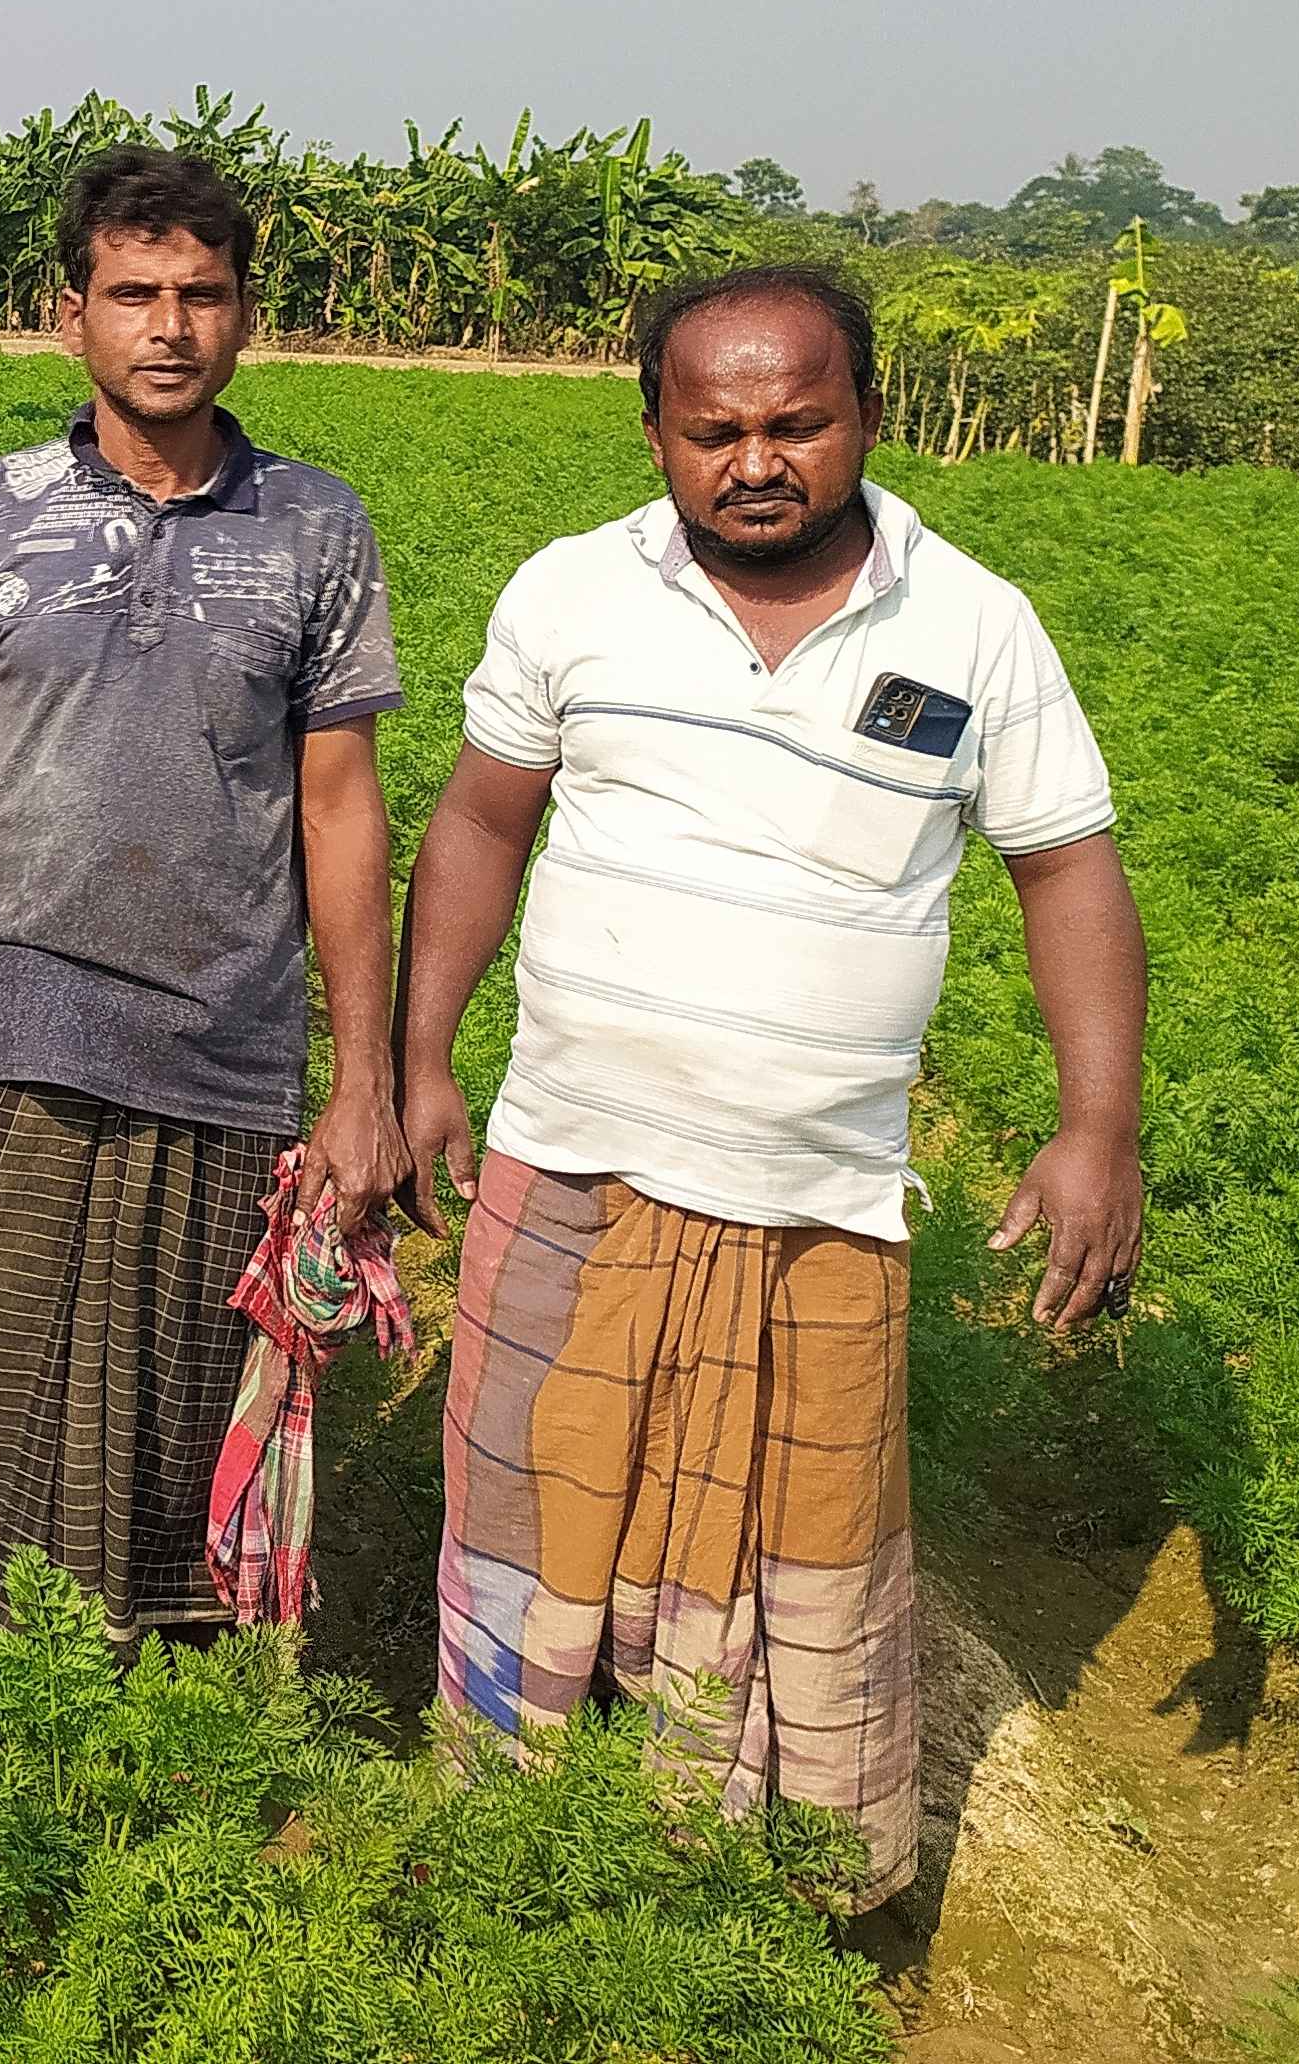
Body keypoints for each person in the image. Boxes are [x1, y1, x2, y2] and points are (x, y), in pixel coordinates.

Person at [402, 262, 1145, 1913]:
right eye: (713, 429)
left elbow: (1068, 869)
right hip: (571, 1159)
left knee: (786, 1544)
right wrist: (420, 1061)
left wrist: (1099, 1126)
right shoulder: (572, 594)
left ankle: (754, 1877)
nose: (755, 462)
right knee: (531, 1510)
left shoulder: (974, 625)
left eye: (797, 424)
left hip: (818, 1202)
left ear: (868, 414)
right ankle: (513, 1846)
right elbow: (478, 823)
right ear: (655, 432)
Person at [0, 146, 406, 1651]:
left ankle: (158, 1701)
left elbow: (342, 811)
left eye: (202, 295)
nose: (169, 327)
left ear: (245, 317)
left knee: (181, 1405)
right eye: (134, 293)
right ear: (72, 314)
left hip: (224, 1038)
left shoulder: (317, 527)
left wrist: (364, 1082)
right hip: (11, 1024)